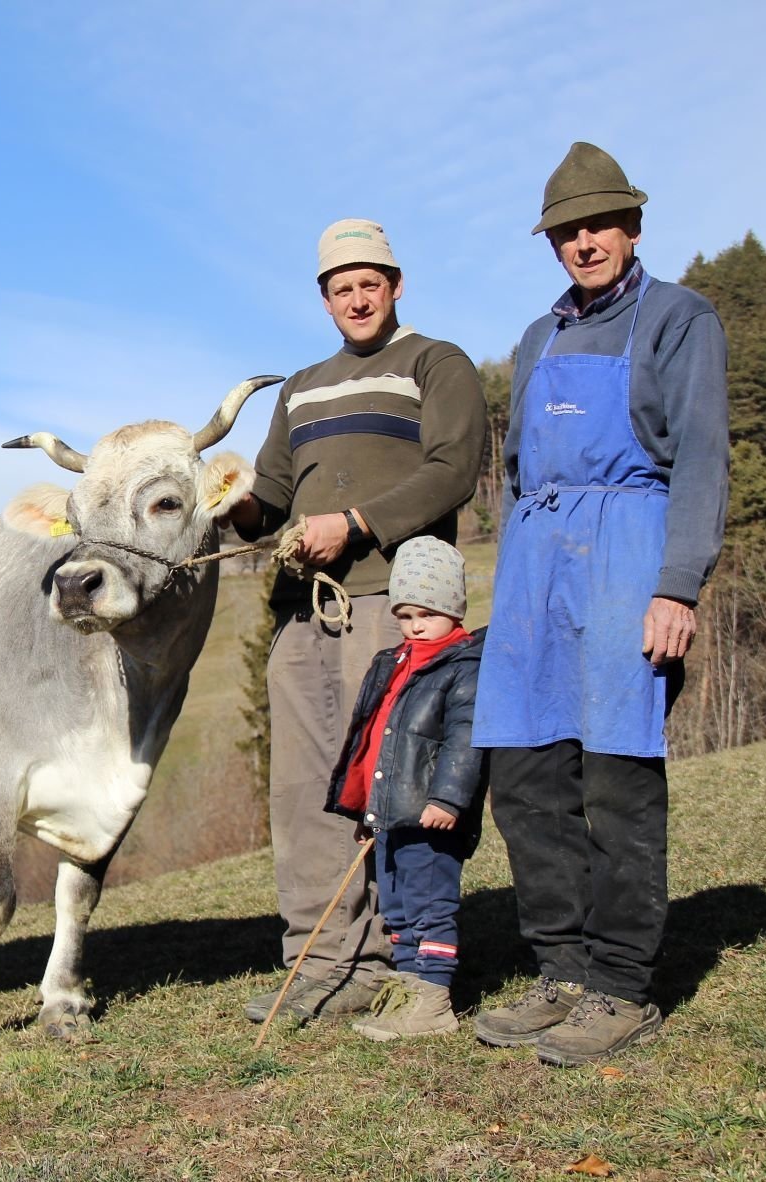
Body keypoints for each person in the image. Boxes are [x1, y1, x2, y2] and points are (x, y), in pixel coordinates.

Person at [471, 143, 730, 1066]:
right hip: (536, 560)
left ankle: (620, 985)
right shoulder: (536, 338)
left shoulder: (678, 317)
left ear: (631, 226)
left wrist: (675, 584)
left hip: (628, 550)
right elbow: (511, 470)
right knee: (527, 776)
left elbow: (700, 454)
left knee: (617, 776)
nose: (582, 242)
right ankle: (563, 969)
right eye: (565, 231)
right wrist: (512, 570)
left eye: (596, 225)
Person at [229, 219, 486, 1023]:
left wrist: (358, 523)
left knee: (389, 783)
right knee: (304, 789)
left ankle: (397, 960)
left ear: (396, 283)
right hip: (299, 611)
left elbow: (452, 471)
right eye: (341, 287)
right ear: (323, 297)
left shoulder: (433, 363)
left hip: (393, 604)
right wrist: (227, 502)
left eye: (369, 281)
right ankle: (319, 963)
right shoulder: (299, 387)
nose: (357, 296)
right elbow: (268, 495)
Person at [324, 537, 486, 1041]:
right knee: (394, 906)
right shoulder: (392, 662)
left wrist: (448, 798)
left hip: (431, 818)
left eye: (428, 614)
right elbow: (373, 743)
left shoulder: (463, 667)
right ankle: (406, 988)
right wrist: (365, 810)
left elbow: (466, 739)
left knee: (428, 903)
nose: (415, 625)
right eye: (405, 614)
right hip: (390, 815)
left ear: (453, 609)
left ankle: (432, 996)